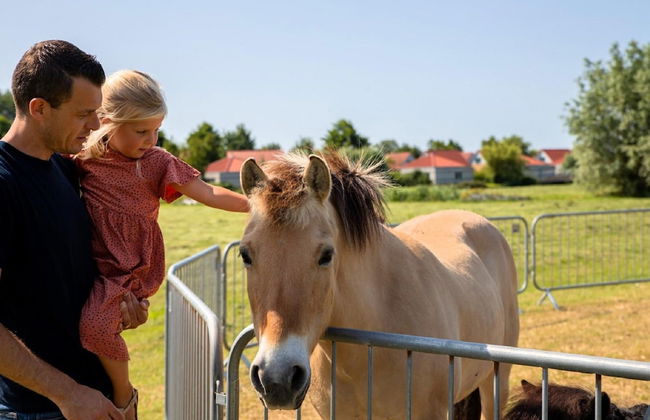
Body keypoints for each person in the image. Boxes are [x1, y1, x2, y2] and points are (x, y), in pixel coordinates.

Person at [75, 69, 249, 419]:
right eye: (141, 131)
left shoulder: (156, 162)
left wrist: (256, 203)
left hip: (129, 266)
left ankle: (125, 397)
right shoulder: (82, 159)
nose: (151, 139)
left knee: (93, 325)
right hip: (94, 260)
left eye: (157, 129)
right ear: (107, 122)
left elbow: (209, 192)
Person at [0, 40, 149, 420]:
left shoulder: (67, 170)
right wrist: (68, 394)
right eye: (85, 113)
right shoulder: (4, 183)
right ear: (39, 109)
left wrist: (121, 305)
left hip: (95, 404)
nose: (97, 125)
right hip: (43, 410)